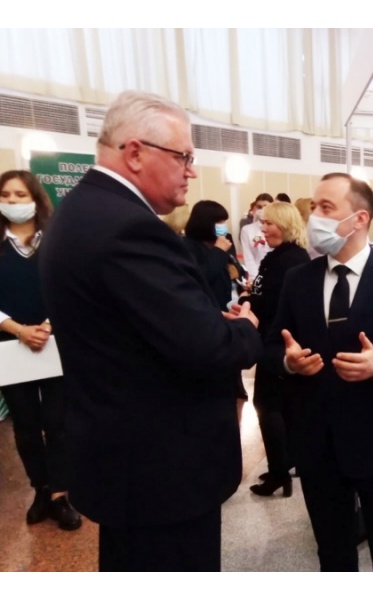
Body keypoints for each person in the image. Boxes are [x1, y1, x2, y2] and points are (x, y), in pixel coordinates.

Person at [38, 90, 263, 572]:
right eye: (184, 157)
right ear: (136, 153)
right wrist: (245, 329)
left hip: (124, 458)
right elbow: (206, 347)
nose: (192, 171)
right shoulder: (130, 229)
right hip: (162, 470)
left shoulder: (79, 211)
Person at [261, 173, 373, 571]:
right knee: (333, 555)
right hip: (315, 442)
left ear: (359, 218)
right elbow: (271, 347)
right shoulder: (298, 279)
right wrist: (288, 362)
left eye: (326, 208)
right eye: (313, 207)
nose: (314, 216)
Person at [0, 169, 81, 531]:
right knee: (26, 426)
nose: (12, 201)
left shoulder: (58, 239)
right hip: (9, 346)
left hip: (55, 341)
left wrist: (47, 326)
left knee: (58, 423)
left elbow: (73, 287)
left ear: (35, 198)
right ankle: (41, 489)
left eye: (20, 195)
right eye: (5, 195)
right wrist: (19, 330)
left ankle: (61, 494)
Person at [242, 201, 310, 497]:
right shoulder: (284, 257)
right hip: (277, 339)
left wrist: (247, 303)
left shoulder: (287, 260)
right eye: (263, 222)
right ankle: (285, 465)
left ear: (285, 225)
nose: (263, 229)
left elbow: (274, 303)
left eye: (269, 223)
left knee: (267, 405)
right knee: (279, 406)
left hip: (280, 342)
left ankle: (279, 471)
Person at [183, 200, 250, 423]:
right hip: (205, 317)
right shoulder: (189, 247)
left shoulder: (222, 244)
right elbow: (200, 277)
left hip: (228, 309)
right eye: (219, 221)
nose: (223, 226)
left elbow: (235, 270)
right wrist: (219, 252)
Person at [240, 193, 273, 279]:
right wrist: (255, 278)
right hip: (255, 274)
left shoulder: (277, 228)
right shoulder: (247, 230)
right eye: (259, 207)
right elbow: (248, 258)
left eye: (265, 207)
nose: (262, 210)